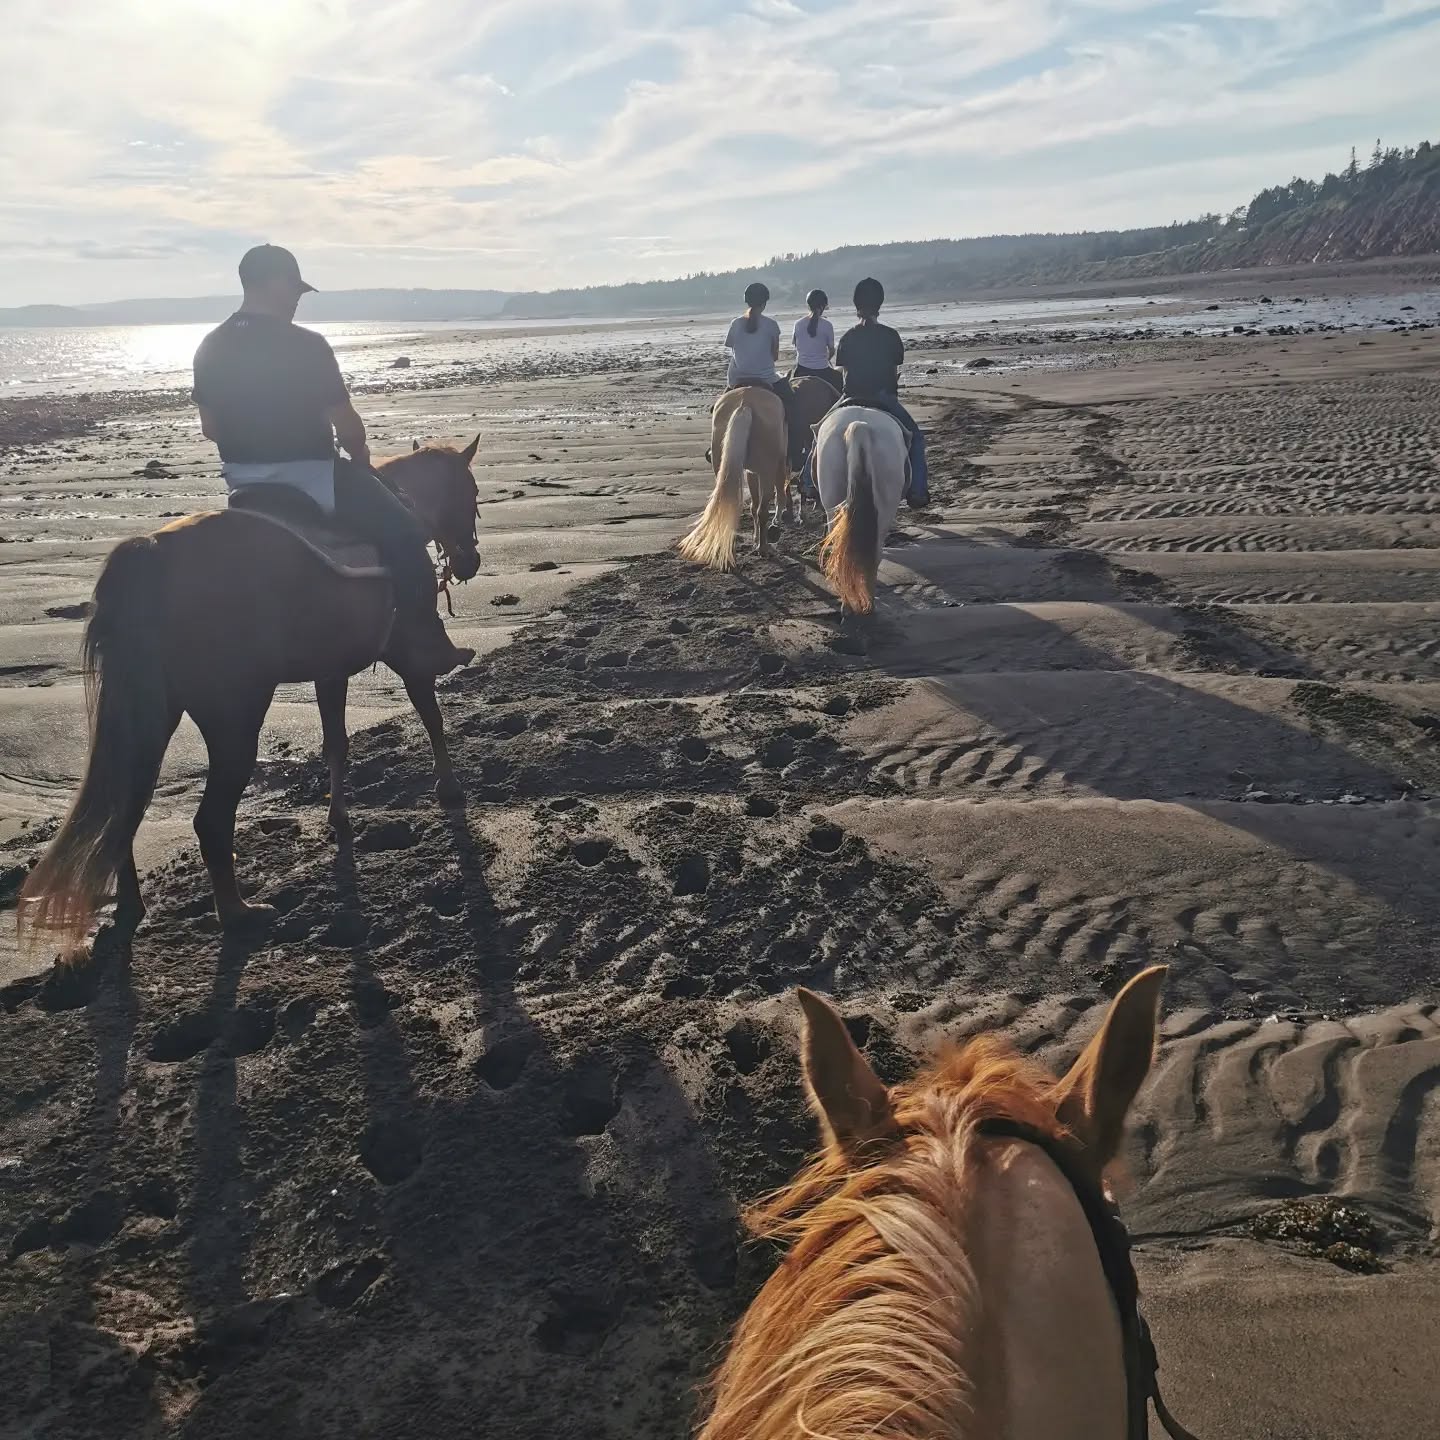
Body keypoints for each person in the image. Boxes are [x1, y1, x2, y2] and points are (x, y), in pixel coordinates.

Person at [192, 244, 471, 674]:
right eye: (295, 289)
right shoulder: (306, 344)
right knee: (405, 534)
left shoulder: (210, 344)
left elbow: (210, 427)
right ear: (275, 283)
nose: (297, 299)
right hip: (314, 477)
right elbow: (348, 425)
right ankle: (422, 640)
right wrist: (360, 459)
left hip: (244, 485)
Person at [835, 276, 929, 507]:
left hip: (851, 397)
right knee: (916, 439)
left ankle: (808, 481)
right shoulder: (890, 335)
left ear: (856, 307)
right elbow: (893, 367)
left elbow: (845, 373)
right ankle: (917, 491)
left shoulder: (848, 336)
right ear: (879, 305)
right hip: (883, 397)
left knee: (819, 434)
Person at [721, 281, 804, 469]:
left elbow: (733, 350)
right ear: (765, 303)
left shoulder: (735, 324)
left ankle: (715, 448)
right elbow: (774, 357)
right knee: (794, 409)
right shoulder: (772, 325)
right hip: (767, 380)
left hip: (737, 380)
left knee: (719, 410)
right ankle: (793, 452)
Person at [791, 289, 842, 392]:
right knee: (842, 386)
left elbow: (796, 345)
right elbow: (832, 350)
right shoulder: (827, 325)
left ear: (808, 304)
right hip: (823, 371)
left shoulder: (798, 324)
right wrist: (827, 359)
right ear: (823, 306)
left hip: (801, 370)